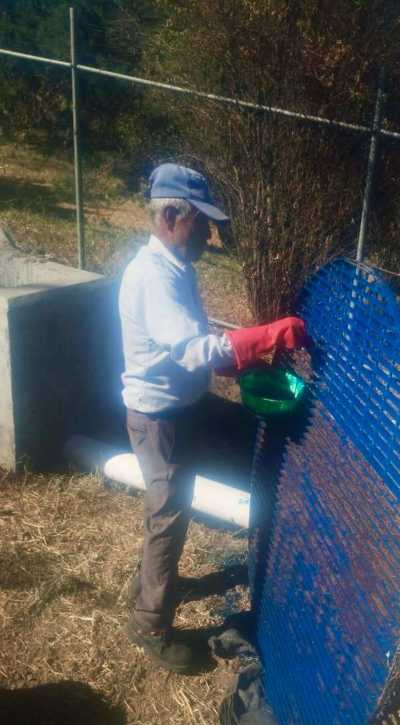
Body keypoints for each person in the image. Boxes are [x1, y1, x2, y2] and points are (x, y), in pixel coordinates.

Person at [118, 163, 306, 673]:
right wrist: (267, 335)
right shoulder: (153, 277)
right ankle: (150, 625)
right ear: (171, 216)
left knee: (171, 506)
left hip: (181, 407)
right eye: (201, 222)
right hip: (159, 418)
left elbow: (194, 347)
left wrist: (243, 360)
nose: (208, 234)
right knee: (168, 516)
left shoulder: (175, 269)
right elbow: (193, 350)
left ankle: (148, 583)